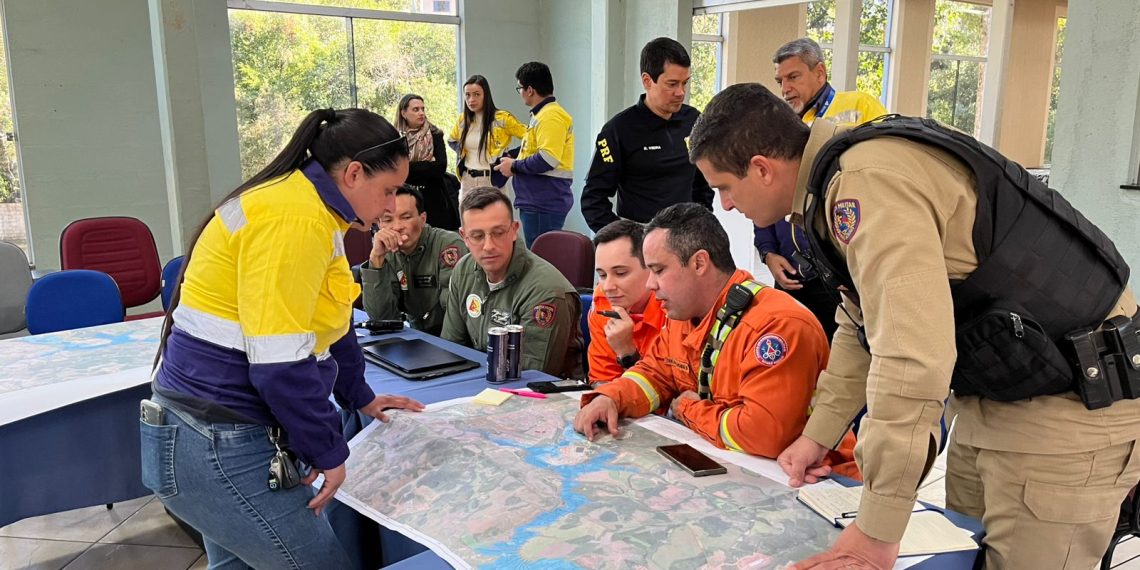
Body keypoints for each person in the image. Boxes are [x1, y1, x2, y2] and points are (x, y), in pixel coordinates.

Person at [689, 83, 1140, 569]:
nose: (727, 206)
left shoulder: (869, 183)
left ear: (761, 167)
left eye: (724, 188)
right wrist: (817, 436)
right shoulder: (838, 181)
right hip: (1001, 392)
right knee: (957, 554)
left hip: (1069, 412)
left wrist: (877, 531)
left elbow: (910, 358)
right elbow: (860, 324)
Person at [141, 108, 426, 567]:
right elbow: (280, 366)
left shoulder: (311, 208)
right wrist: (328, 451)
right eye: (388, 190)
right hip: (215, 436)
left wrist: (360, 397)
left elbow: (331, 324)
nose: (392, 206)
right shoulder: (295, 220)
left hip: (204, 430)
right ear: (353, 173)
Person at [573, 204, 857, 472]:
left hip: (817, 484)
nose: (650, 284)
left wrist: (685, 408)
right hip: (739, 470)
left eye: (659, 270)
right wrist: (609, 397)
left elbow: (762, 435)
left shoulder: (776, 326)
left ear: (699, 263)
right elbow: (652, 375)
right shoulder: (683, 315)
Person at [754, 38, 889, 342]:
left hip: (838, 270)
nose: (785, 88)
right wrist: (768, 253)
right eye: (780, 81)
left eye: (793, 77)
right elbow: (763, 194)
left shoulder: (859, 106)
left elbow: (883, 174)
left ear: (820, 73)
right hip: (791, 271)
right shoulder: (780, 125)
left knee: (843, 354)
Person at [442, 186, 584, 378]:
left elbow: (531, 377)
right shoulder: (463, 270)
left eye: (498, 233)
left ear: (514, 230)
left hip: (543, 398)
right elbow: (451, 350)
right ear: (464, 237)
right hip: (481, 385)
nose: (489, 246)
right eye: (477, 236)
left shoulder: (546, 291)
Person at [580, 37, 714, 232]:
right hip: (641, 238)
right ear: (647, 81)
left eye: (685, 83)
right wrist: (625, 237)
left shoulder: (695, 120)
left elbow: (704, 183)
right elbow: (593, 200)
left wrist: (701, 221)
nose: (681, 92)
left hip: (685, 237)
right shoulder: (618, 130)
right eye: (672, 84)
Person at [359, 185, 467, 335]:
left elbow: (455, 315)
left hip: (447, 340)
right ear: (379, 225)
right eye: (388, 219)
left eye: (406, 217)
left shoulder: (447, 245)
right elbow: (382, 318)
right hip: (414, 337)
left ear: (422, 219)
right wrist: (376, 260)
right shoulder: (385, 253)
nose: (397, 227)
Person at [495, 61, 574, 248]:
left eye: (520, 88)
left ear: (530, 90)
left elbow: (547, 158)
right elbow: (533, 151)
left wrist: (513, 166)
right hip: (538, 201)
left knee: (542, 260)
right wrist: (512, 158)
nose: (520, 93)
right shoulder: (541, 115)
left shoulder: (550, 116)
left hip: (543, 202)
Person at [586, 219, 666, 383]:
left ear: (650, 268)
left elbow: (667, 394)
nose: (608, 286)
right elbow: (602, 380)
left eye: (621, 273)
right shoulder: (602, 299)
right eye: (602, 275)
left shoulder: (675, 305)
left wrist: (627, 352)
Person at [447, 75, 527, 196]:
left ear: (486, 95)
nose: (471, 99)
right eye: (467, 95)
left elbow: (531, 137)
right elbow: (451, 140)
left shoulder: (502, 118)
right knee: (467, 215)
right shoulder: (463, 120)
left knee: (496, 215)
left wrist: (511, 156)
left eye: (477, 94)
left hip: (492, 181)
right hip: (467, 180)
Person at [395, 93, 459, 230]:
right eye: (416, 109)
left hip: (434, 196)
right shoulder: (396, 138)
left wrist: (409, 167)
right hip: (406, 195)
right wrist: (427, 165)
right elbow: (396, 169)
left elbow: (440, 167)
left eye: (423, 109)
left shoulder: (435, 134)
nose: (421, 113)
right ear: (403, 113)